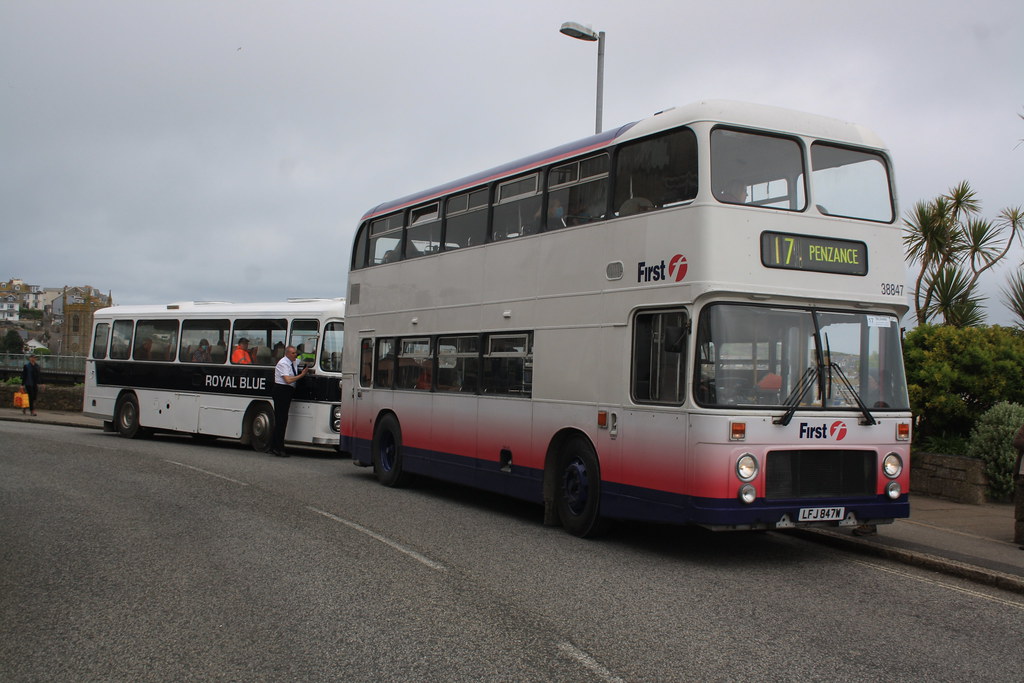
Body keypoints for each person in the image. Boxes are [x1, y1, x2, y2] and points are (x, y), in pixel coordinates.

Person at [269, 345, 312, 457]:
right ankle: (279, 448)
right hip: (281, 390)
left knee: (282, 419)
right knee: (281, 419)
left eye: (296, 353)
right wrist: (301, 375)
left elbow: (304, 361)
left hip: (287, 391)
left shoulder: (293, 361)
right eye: (293, 353)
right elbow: (287, 380)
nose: (295, 355)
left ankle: (274, 446)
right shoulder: (283, 363)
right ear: (287, 353)